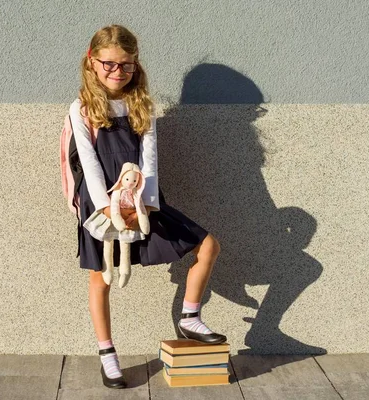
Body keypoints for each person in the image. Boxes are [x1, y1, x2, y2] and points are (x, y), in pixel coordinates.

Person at [68, 24, 226, 389]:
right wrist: (108, 208)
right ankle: (107, 354)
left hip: (143, 201)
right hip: (102, 203)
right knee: (101, 278)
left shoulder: (143, 105)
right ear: (91, 62)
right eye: (108, 64)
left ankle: (189, 316)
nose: (117, 72)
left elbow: (149, 158)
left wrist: (147, 204)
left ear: (136, 65)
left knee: (208, 246)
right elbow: (88, 162)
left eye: (126, 65)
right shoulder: (82, 108)